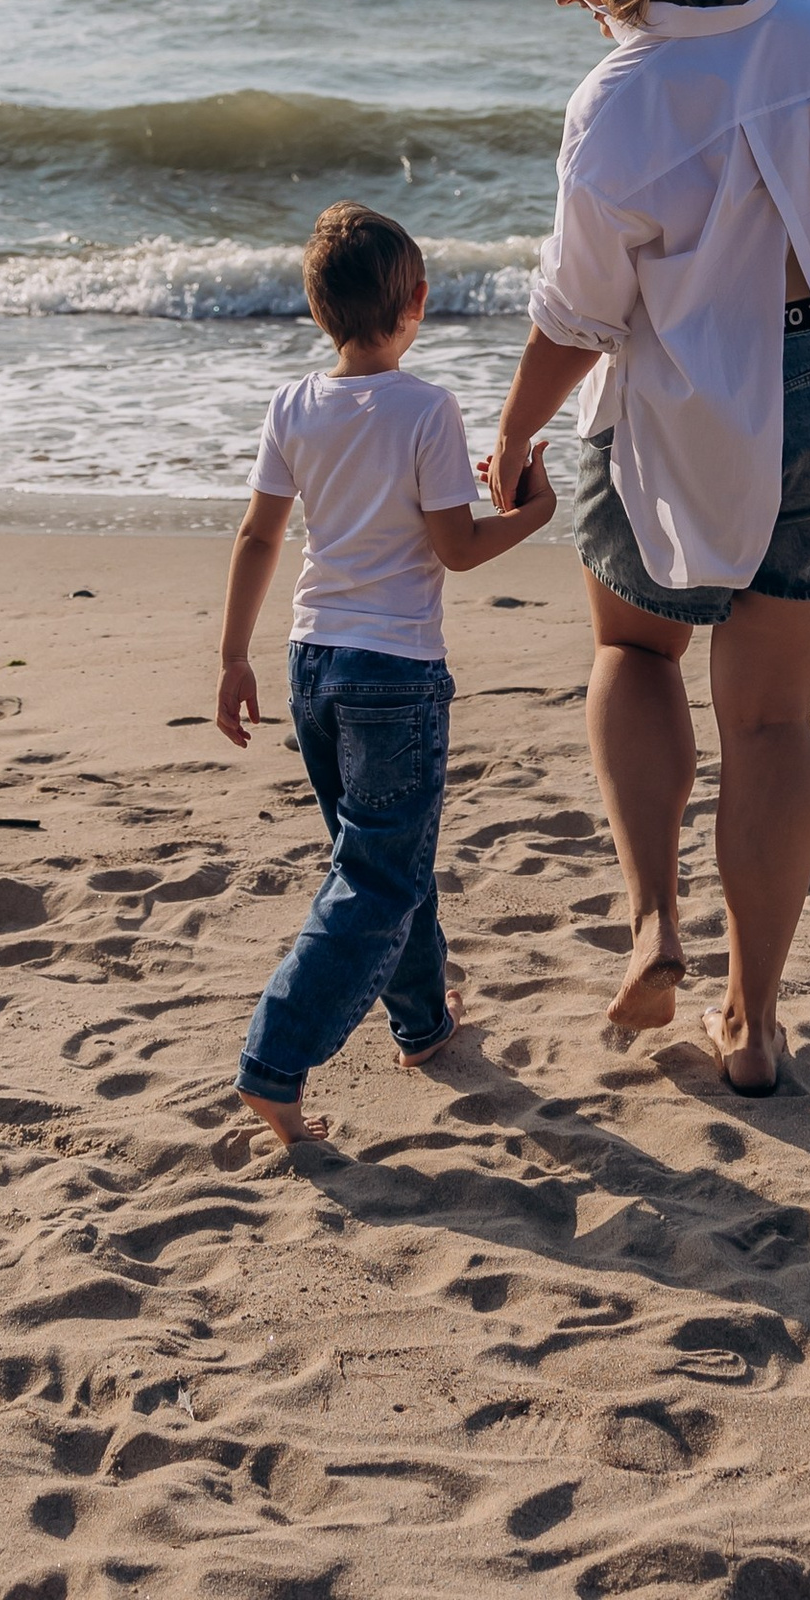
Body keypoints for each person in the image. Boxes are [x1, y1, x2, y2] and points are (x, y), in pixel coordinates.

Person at [484, 0, 810, 1097]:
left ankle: (655, 924)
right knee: (775, 721)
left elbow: (576, 313)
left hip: (691, 402)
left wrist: (512, 435)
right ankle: (753, 1020)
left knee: (633, 651)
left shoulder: (620, 102)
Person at [218, 197, 557, 1149]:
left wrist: (232, 654)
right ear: (417, 301)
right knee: (377, 874)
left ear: (318, 312)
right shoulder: (428, 408)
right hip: (394, 676)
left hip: (309, 663)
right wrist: (533, 511)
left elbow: (259, 535)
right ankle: (275, 1060)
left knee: (383, 861)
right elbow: (455, 546)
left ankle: (421, 1024)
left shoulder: (293, 404)